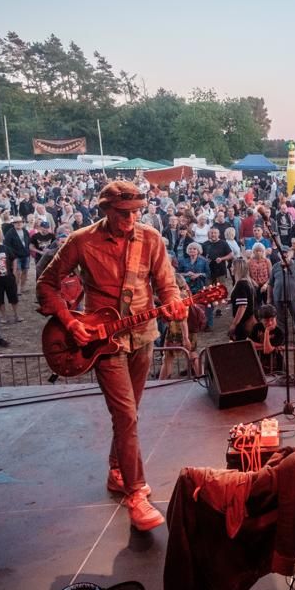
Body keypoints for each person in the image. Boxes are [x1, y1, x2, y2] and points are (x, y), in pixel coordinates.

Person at [36, 180, 184, 533]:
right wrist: (70, 322)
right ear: (104, 209)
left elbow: (167, 285)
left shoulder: (151, 239)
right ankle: (136, 493)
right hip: (102, 343)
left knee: (129, 414)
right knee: (126, 415)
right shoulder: (81, 241)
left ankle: (117, 470)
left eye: (136, 212)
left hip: (143, 337)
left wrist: (174, 303)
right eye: (122, 213)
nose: (131, 219)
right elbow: (46, 284)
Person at [227, 258, 258, 342]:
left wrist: (234, 324)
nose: (231, 268)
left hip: (243, 322)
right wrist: (232, 300)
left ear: (237, 268)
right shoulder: (248, 283)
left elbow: (242, 306)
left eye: (232, 266)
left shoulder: (241, 284)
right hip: (249, 319)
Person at [249, 303, 285, 374]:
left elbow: (267, 350)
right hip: (259, 362)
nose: (270, 323)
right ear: (260, 320)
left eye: (272, 319)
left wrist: (267, 331)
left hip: (276, 364)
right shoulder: (257, 327)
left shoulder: (279, 332)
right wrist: (264, 346)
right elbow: (249, 343)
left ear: (276, 317)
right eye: (266, 320)